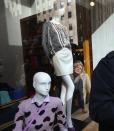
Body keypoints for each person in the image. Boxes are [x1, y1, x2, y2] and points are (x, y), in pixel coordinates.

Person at [42, 0, 75, 130]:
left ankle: (61, 122)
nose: (63, 10)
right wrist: (50, 57)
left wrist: (71, 53)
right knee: (71, 85)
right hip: (58, 55)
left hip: (68, 55)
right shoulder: (48, 25)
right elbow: (45, 43)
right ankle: (68, 120)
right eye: (61, 7)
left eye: (63, 8)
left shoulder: (63, 26)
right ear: (55, 9)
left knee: (65, 87)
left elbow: (67, 41)